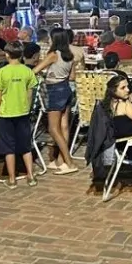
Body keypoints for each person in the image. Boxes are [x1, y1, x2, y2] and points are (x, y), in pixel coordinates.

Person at [32, 27, 78, 174]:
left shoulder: (53, 54)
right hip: (66, 89)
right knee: (64, 127)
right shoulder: (70, 55)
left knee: (53, 128)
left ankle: (69, 162)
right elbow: (72, 77)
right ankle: (61, 160)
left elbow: (36, 70)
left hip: (55, 90)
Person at [0, 41, 39, 187]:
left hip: (6, 113)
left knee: (8, 147)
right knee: (25, 146)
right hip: (23, 112)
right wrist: (28, 107)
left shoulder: (2, 72)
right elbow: (30, 92)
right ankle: (30, 176)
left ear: (7, 54)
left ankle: (12, 179)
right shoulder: (27, 71)